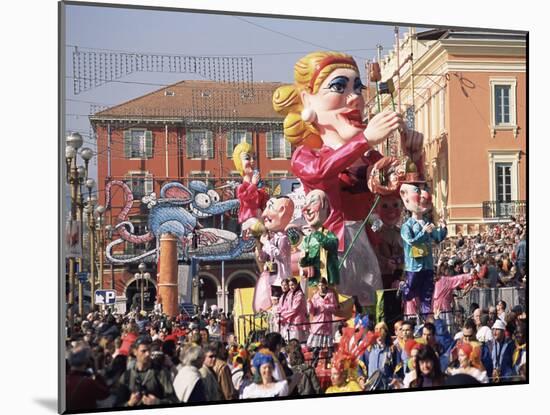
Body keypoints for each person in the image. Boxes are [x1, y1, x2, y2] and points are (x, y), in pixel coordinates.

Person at [273, 51, 423, 306]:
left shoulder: (368, 157)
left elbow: (409, 196)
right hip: (331, 249)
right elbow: (321, 172)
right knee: (334, 307)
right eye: (339, 87)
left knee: (374, 309)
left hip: (369, 246)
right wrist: (364, 139)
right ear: (306, 99)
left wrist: (413, 157)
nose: (354, 98)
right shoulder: (306, 154)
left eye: (358, 88)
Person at [254, 197, 294, 312]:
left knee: (283, 304)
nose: (265, 214)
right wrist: (260, 249)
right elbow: (265, 257)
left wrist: (266, 242)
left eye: (270, 207)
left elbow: (280, 255)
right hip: (273, 278)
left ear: (282, 211)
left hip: (282, 278)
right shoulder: (272, 239)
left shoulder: (284, 238)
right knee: (275, 303)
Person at [116, 335, 178, 407]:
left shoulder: (160, 372)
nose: (148, 354)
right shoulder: (127, 376)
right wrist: (130, 403)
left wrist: (157, 402)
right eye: (144, 351)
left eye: (149, 350)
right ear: (135, 352)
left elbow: (174, 400)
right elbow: (118, 404)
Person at [299, 189, 340, 287]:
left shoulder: (328, 234)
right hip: (313, 282)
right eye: (305, 204)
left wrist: (316, 232)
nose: (306, 208)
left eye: (313, 202)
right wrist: (304, 261)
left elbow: (331, 245)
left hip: (328, 282)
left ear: (325, 206)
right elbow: (303, 261)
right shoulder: (307, 239)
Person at [66, 341, 110, 411]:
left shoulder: (63, 379)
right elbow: (105, 393)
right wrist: (96, 372)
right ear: (87, 361)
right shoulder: (88, 383)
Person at [232, 141, 269, 224]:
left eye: (254, 158)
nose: (252, 161)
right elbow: (245, 199)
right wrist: (253, 185)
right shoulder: (241, 187)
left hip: (259, 221)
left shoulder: (257, 185)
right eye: (247, 158)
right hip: (248, 221)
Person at [307, 278, 338, 366]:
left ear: (326, 285)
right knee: (316, 346)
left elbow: (335, 307)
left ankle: (330, 363)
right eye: (319, 285)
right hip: (318, 322)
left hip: (327, 322)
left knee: (329, 346)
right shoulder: (315, 296)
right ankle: (314, 364)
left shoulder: (331, 295)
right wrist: (309, 304)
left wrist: (326, 307)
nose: (321, 287)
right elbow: (313, 311)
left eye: (322, 285)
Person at [279, 277, 309, 342]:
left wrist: (284, 316)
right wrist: (279, 314)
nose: (291, 287)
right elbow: (285, 306)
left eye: (292, 285)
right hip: (290, 320)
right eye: (289, 285)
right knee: (290, 340)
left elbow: (295, 309)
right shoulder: (289, 294)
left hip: (298, 320)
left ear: (296, 285)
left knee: (298, 340)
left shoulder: (299, 294)